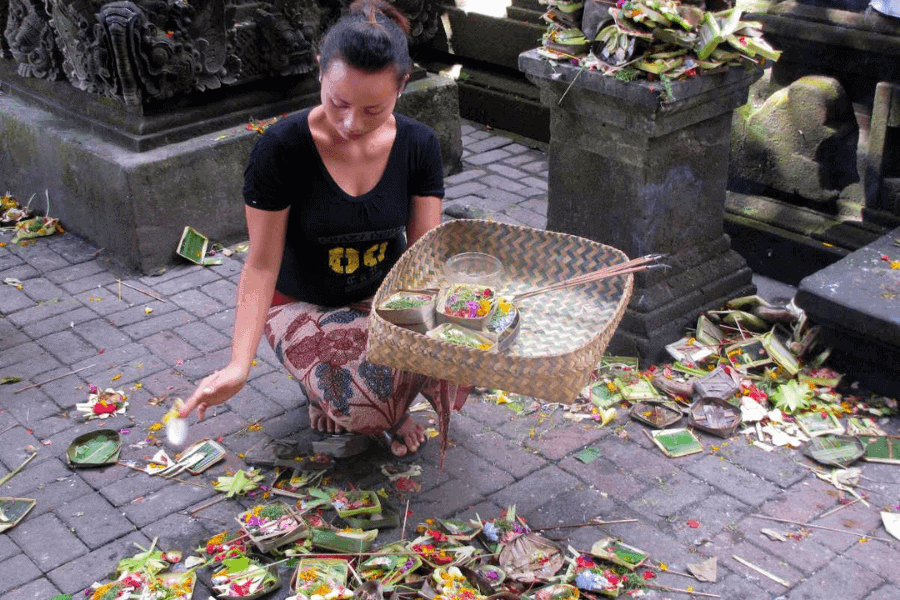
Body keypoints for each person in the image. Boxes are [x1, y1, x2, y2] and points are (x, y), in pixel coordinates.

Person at [178, 0, 467, 458]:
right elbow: (261, 264)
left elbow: (424, 261)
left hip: (381, 297)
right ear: (319, 72)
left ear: (402, 86)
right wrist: (238, 365)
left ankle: (364, 396)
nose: (352, 123)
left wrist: (448, 346)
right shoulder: (280, 148)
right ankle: (346, 396)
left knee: (461, 362)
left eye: (374, 109)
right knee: (370, 408)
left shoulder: (419, 144)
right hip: (300, 303)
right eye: (338, 103)